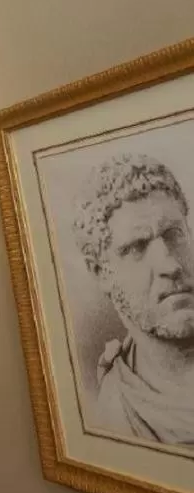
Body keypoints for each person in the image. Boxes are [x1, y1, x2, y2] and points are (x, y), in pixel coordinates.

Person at [73, 153, 194, 445]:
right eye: (137, 247)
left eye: (174, 234)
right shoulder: (115, 412)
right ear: (101, 272)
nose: (171, 265)